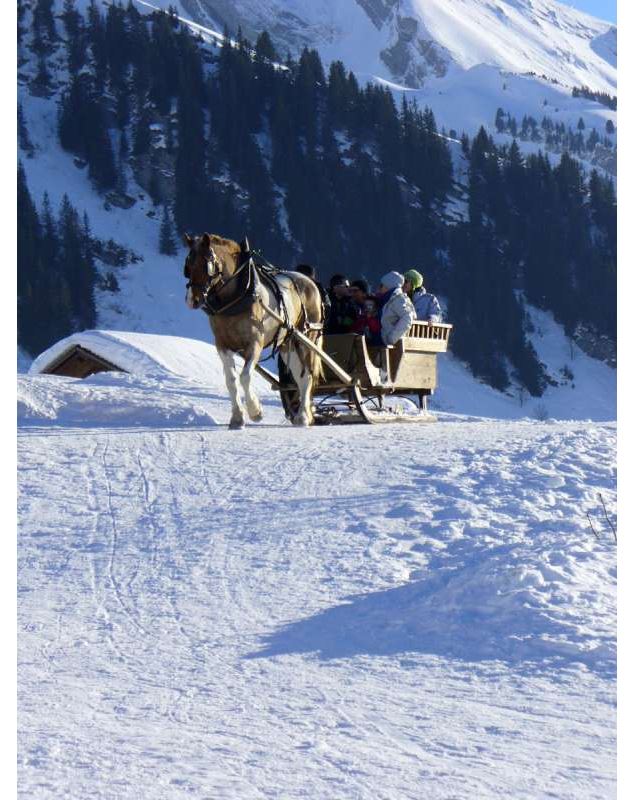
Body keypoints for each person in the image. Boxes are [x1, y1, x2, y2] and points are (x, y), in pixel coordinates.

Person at [376, 271, 415, 345]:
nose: (379, 288)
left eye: (381, 285)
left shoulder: (399, 299)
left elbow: (408, 317)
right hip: (380, 338)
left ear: (388, 286)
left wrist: (391, 338)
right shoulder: (386, 299)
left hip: (385, 342)